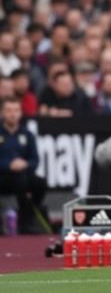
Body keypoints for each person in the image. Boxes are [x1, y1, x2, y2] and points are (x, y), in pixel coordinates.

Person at [0, 97, 47, 234]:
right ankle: (23, 222)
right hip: (3, 176)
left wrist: (25, 164)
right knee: (19, 179)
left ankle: (27, 216)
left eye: (16, 110)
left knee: (39, 182)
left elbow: (35, 160)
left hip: (22, 175)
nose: (13, 114)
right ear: (2, 112)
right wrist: (9, 165)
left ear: (21, 113)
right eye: (9, 110)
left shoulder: (27, 134)